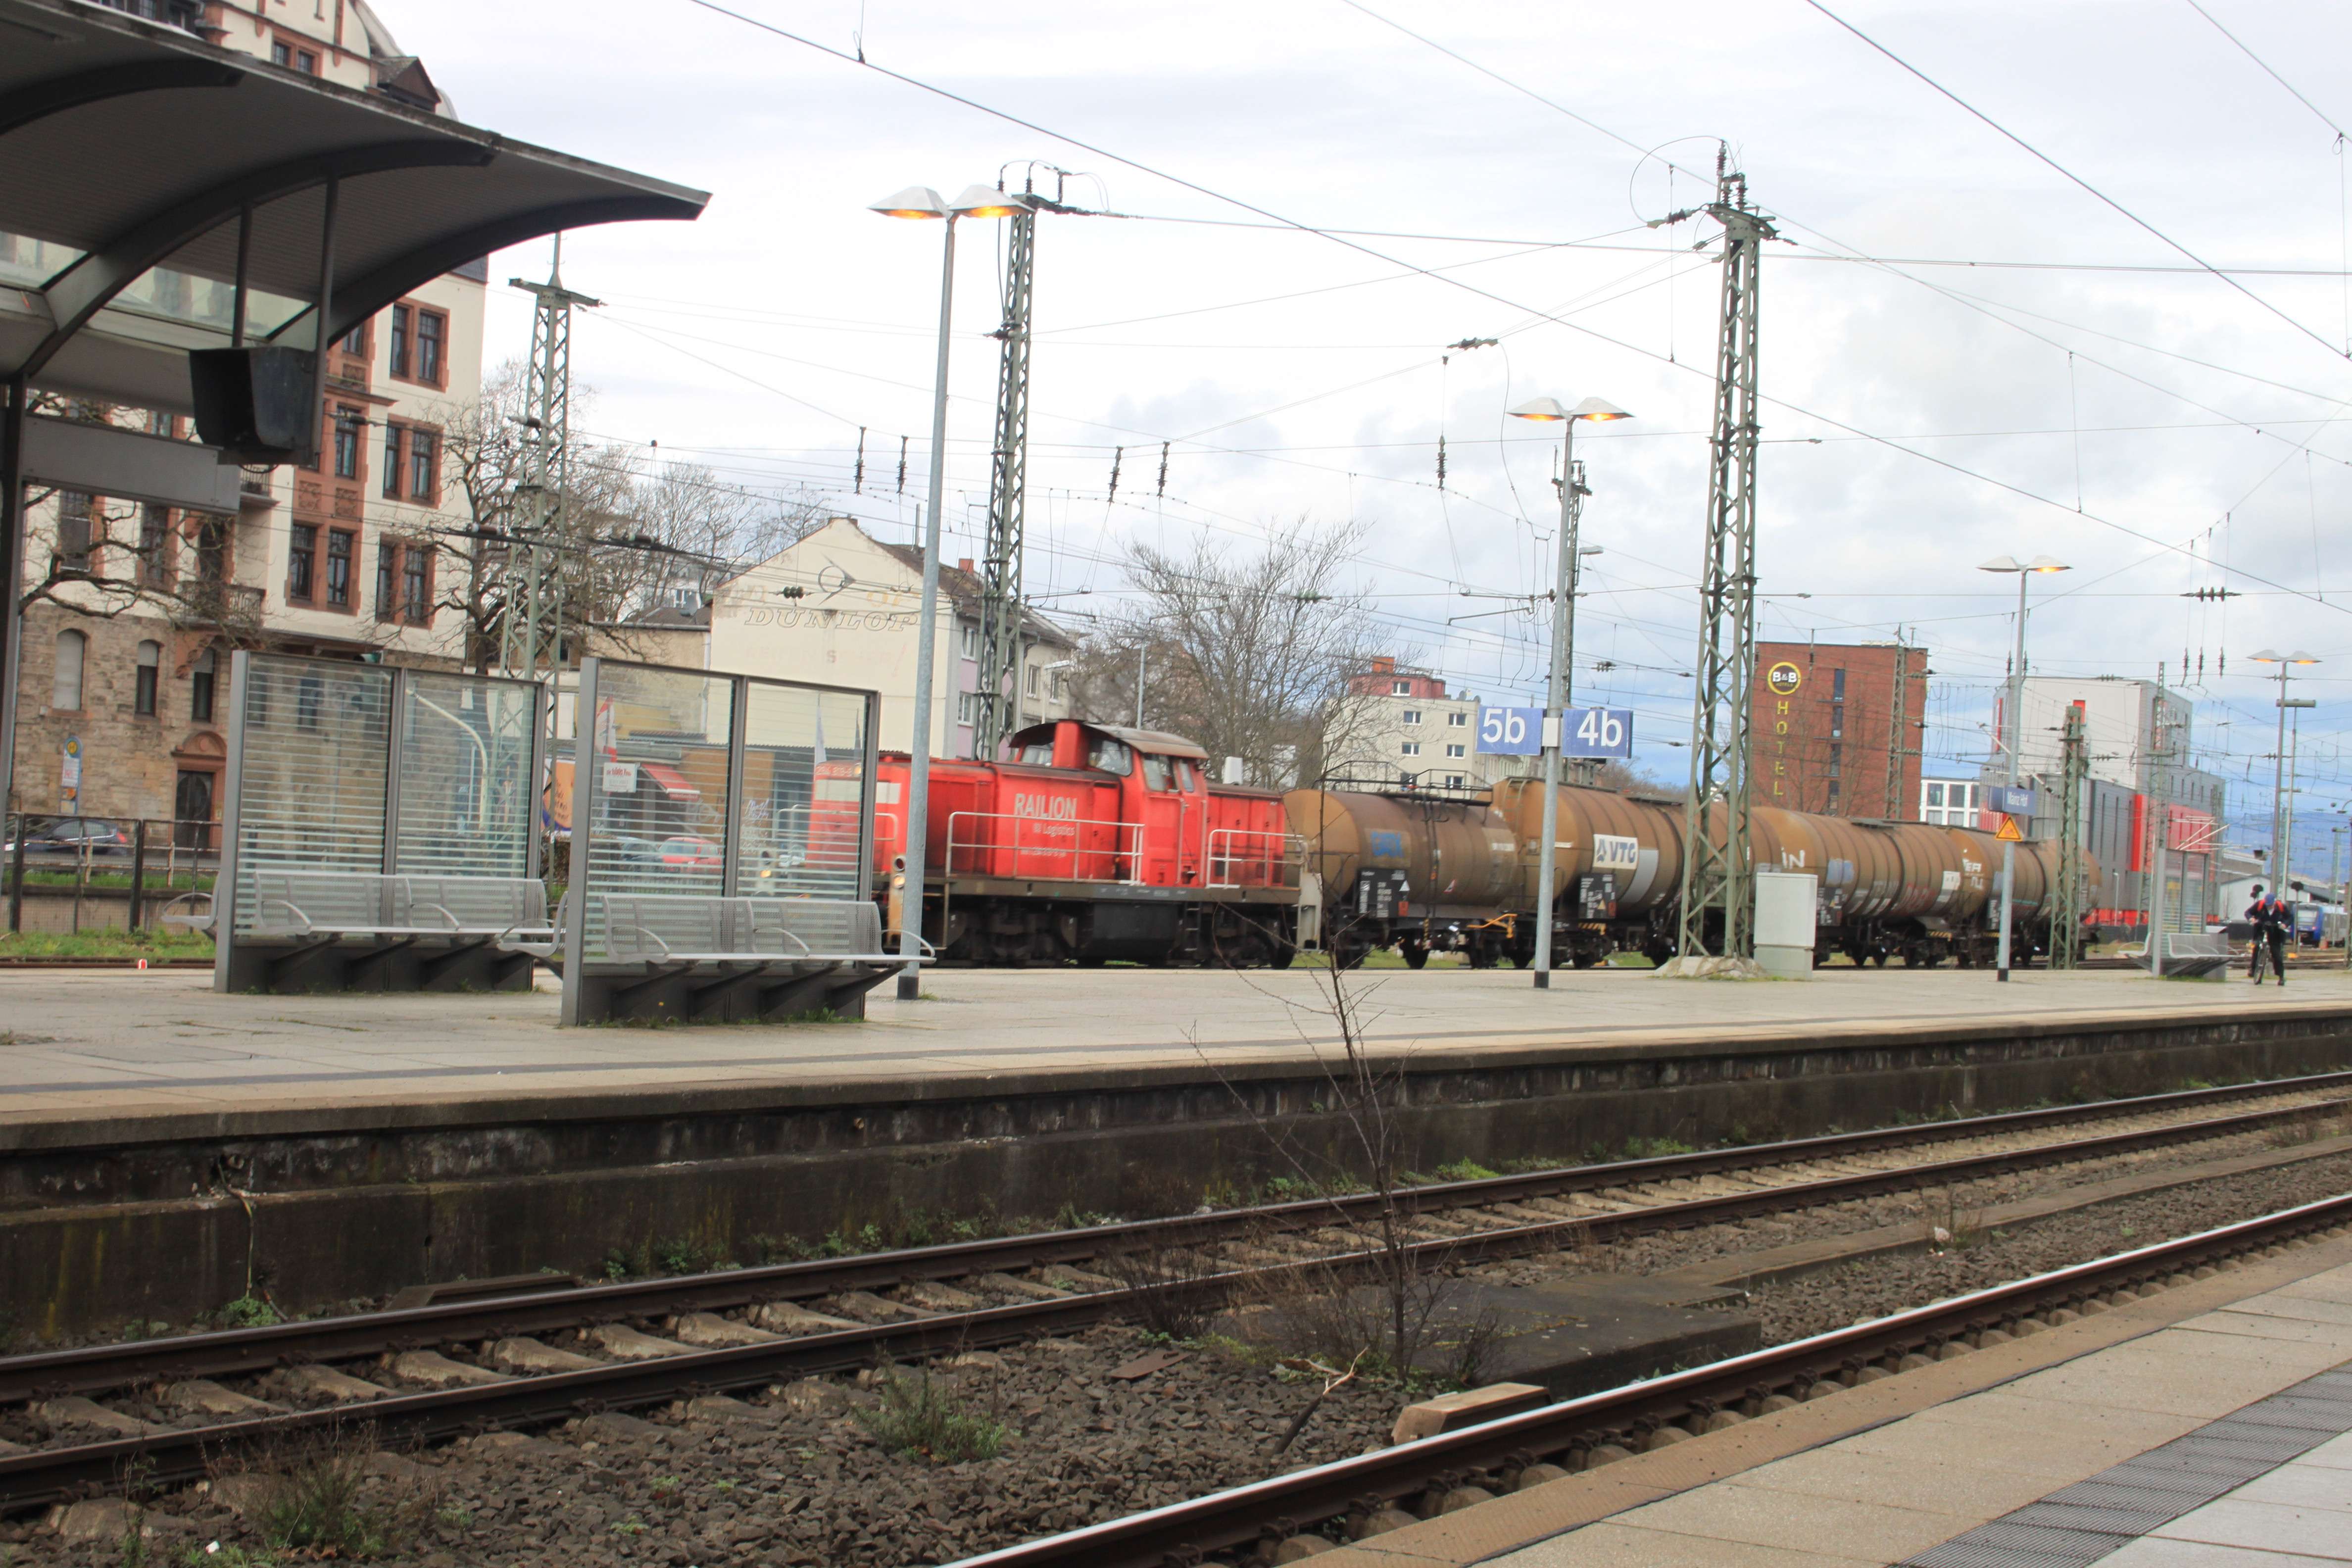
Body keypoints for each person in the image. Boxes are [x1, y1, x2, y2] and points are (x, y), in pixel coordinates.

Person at [2246, 884, 2290, 985]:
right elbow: (2248, 912)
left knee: (2276, 954)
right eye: (2267, 905)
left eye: (2270, 905)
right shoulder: (2260, 905)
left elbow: (2290, 917)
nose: (2269, 907)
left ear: (2275, 902)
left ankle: (2281, 977)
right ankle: (2253, 969)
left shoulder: (2281, 907)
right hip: (2261, 928)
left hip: (2276, 930)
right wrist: (2251, 919)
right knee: (2257, 946)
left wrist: (2285, 924)